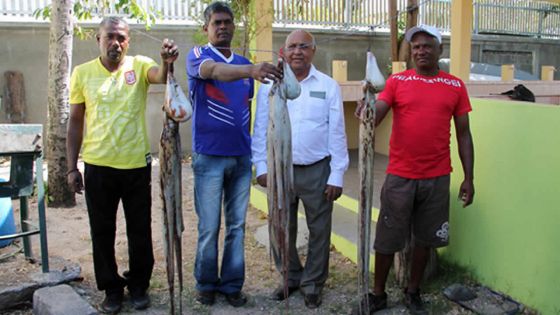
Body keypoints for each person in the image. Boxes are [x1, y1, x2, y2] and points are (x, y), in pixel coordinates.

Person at [357, 25, 475, 315]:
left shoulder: (455, 86)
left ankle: (413, 292)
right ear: (410, 52)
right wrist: (369, 110)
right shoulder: (397, 81)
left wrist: (469, 177)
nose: (420, 51)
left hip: (436, 177)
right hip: (400, 176)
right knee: (387, 240)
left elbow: (463, 134)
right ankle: (378, 294)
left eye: (427, 46)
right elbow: (379, 113)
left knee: (425, 240)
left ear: (440, 50)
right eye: (416, 46)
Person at [66, 17, 178, 314]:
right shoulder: (82, 73)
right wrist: (71, 167)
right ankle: (111, 289)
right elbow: (75, 121)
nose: (116, 43)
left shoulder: (139, 66)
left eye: (122, 38)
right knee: (102, 231)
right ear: (98, 40)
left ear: (128, 41)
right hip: (98, 166)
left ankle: (139, 286)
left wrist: (167, 61)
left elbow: (162, 76)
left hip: (135, 166)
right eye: (110, 37)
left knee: (139, 230)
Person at [186, 1, 282, 308]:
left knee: (237, 226)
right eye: (217, 22)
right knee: (209, 225)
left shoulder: (244, 63)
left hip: (240, 158)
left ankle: (231, 285)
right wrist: (251, 70)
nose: (223, 26)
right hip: (209, 157)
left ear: (234, 26)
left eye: (228, 22)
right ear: (206, 29)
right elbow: (213, 71)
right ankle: (205, 283)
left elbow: (248, 107)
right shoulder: (198, 56)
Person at [252, 29, 349, 309]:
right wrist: (262, 165)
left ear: (313, 51)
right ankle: (290, 277)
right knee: (281, 227)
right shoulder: (270, 86)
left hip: (317, 169)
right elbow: (260, 129)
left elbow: (337, 133)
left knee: (320, 229)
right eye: (292, 46)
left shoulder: (329, 86)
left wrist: (337, 174)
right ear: (283, 51)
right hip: (280, 170)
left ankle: (312, 284)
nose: (297, 51)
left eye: (303, 46)